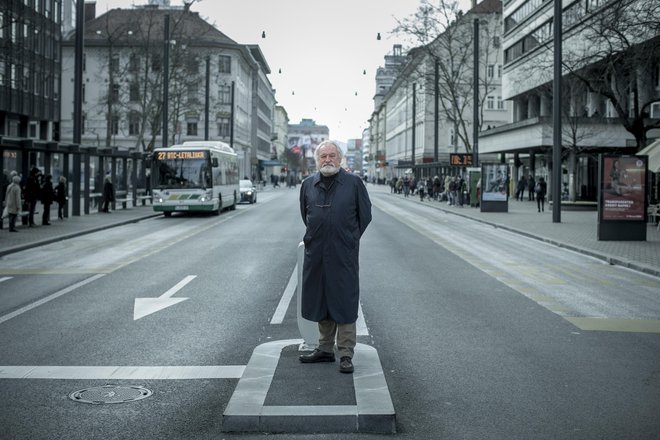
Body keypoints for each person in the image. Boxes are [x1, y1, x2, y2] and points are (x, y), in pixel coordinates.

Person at [298, 140, 372, 374]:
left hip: (343, 253)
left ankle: (346, 353)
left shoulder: (354, 183)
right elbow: (305, 214)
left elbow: (365, 215)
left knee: (344, 301)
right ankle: (325, 349)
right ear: (317, 160)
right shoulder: (308, 184)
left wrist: (348, 238)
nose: (327, 160)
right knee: (322, 299)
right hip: (317, 252)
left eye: (332, 156)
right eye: (323, 156)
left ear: (340, 159)